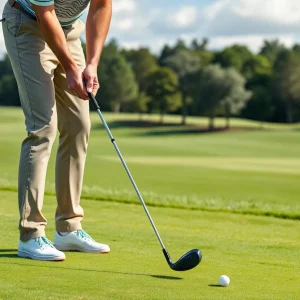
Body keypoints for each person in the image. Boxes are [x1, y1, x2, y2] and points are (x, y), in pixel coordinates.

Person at [1, 0, 112, 261]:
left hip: (69, 30)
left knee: (78, 126)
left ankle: (68, 227)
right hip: (27, 25)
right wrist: (71, 68)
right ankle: (30, 234)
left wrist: (92, 64)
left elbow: (101, 6)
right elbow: (44, 12)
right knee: (43, 127)